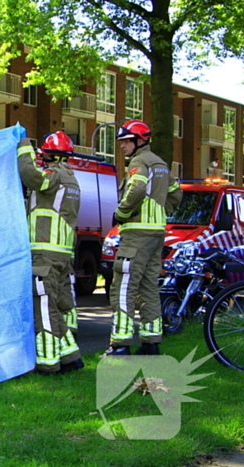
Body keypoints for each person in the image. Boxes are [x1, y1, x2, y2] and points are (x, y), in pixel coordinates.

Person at [105, 120, 182, 356]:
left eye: (126, 141)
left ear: (140, 141)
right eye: (121, 142)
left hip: (136, 234)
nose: (122, 146)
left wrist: (121, 213)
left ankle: (120, 345)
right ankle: (151, 343)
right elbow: (176, 193)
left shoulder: (139, 162)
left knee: (123, 288)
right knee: (149, 287)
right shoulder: (160, 164)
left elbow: (136, 190)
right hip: (157, 233)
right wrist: (159, 210)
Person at [17, 131, 83, 374]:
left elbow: (29, 175)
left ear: (48, 154)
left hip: (45, 253)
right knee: (53, 306)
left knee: (42, 308)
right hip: (61, 254)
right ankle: (71, 357)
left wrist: (24, 146)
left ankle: (47, 364)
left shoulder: (53, 175)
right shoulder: (72, 178)